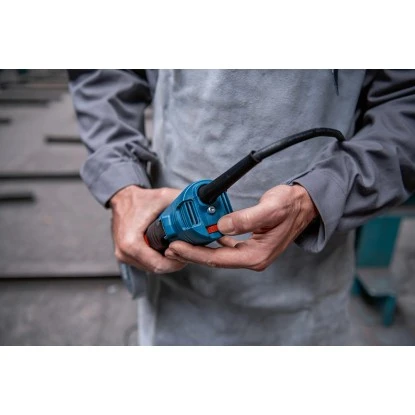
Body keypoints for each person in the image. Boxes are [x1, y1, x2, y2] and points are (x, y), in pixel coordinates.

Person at [68, 70, 415, 345]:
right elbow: (103, 72)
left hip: (305, 297)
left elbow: (406, 106)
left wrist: (318, 197)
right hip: (176, 295)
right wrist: (122, 184)